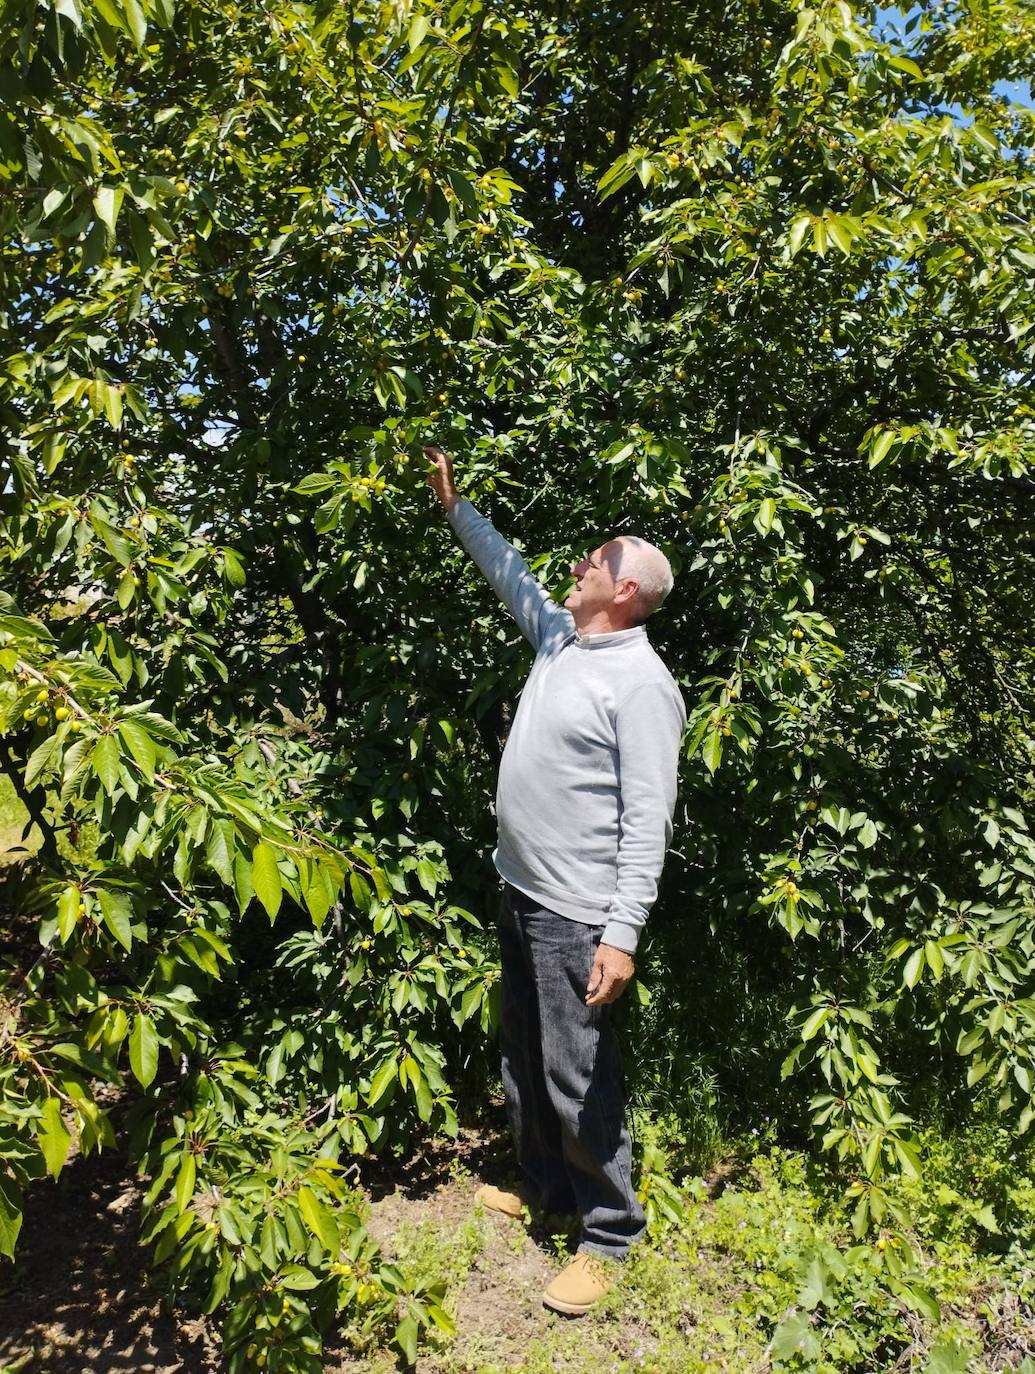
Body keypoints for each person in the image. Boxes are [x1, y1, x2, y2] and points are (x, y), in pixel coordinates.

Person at [425, 445, 686, 1316]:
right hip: (522, 890)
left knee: (578, 1074)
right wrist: (458, 509)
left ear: (625, 592)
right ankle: (544, 1189)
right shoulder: (562, 642)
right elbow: (513, 577)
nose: (577, 566)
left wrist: (622, 932)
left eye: (594, 562)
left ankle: (608, 1233)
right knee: (524, 1058)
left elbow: (647, 818)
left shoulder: (642, 685)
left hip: (579, 916)